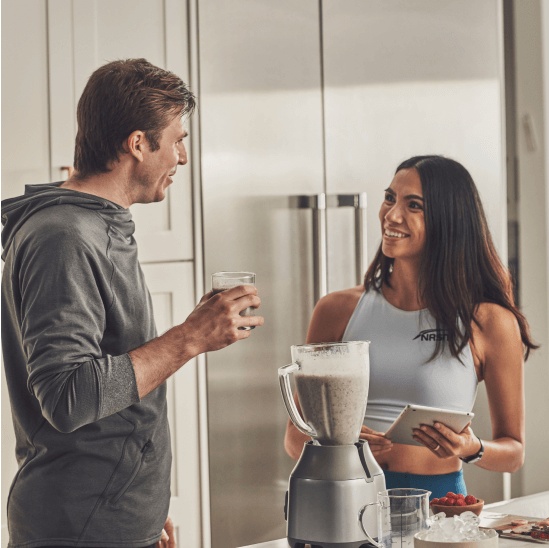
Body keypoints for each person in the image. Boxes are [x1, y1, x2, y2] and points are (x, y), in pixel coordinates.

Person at [1, 58, 263, 548]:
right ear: (138, 143)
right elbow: (68, 396)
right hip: (81, 530)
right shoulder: (65, 237)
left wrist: (141, 507)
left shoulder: (95, 225)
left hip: (108, 521)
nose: (182, 157)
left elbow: (112, 381)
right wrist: (191, 337)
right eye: (178, 139)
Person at [284, 155, 536, 499]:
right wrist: (339, 445)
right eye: (390, 198)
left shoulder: (489, 322)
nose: (391, 215)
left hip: (436, 500)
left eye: (413, 205)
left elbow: (513, 453)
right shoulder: (337, 311)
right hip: (339, 498)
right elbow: (294, 437)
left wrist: (469, 446)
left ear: (449, 221)